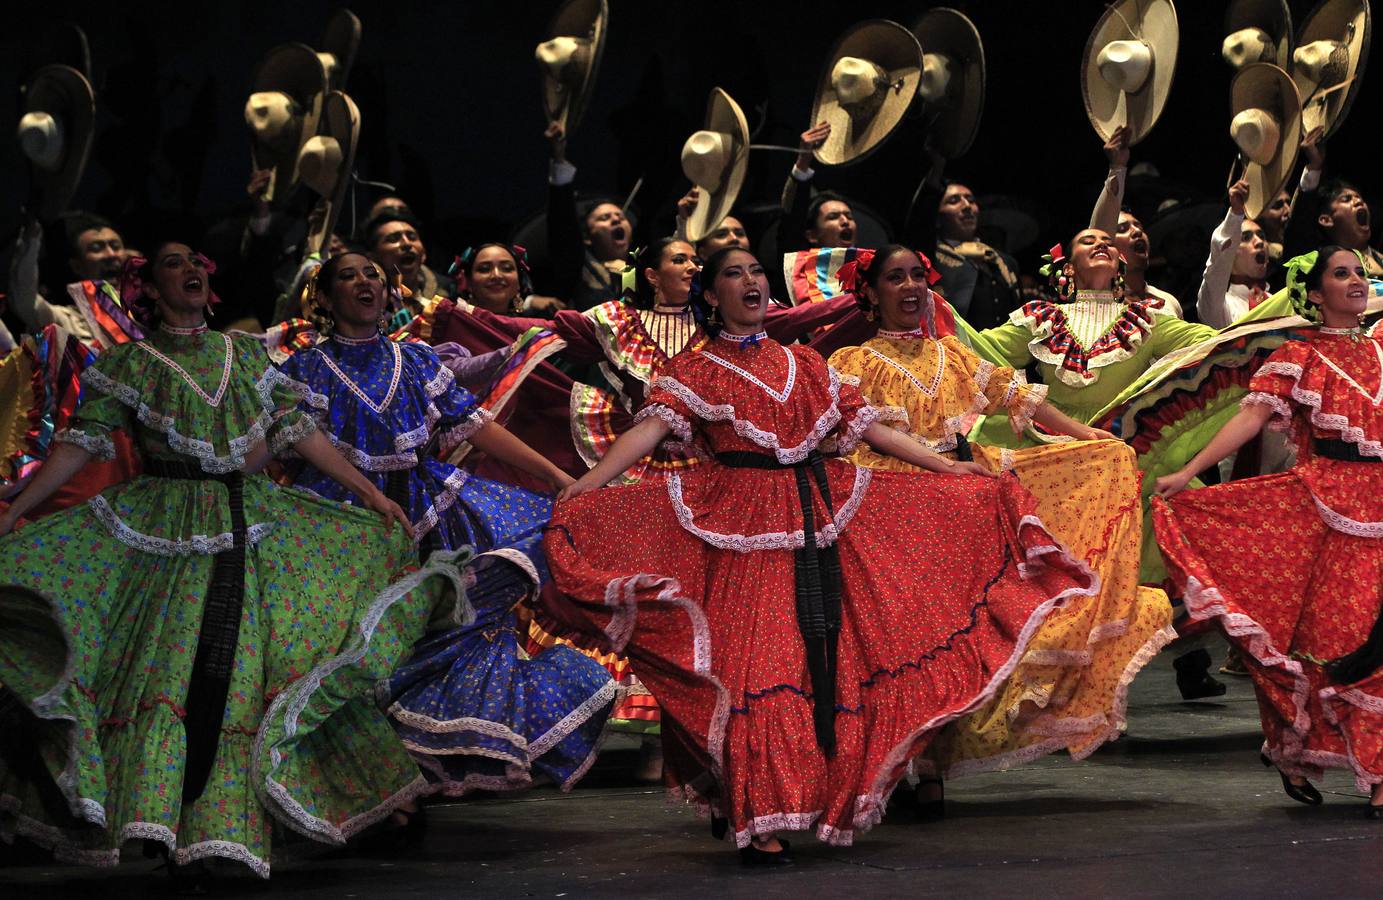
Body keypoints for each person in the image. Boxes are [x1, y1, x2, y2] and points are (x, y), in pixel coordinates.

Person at [541, 246, 1098, 864]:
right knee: (754, 665)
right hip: (739, 526)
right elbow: (647, 432)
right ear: (712, 295)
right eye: (734, 273)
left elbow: (870, 429)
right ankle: (753, 809)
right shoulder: (695, 372)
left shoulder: (804, 364)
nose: (751, 280)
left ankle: (792, 795)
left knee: (822, 661)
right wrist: (587, 487)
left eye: (756, 271)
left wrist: (949, 470)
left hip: (817, 516)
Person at [0, 242, 468, 882]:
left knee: (245, 672)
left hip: (249, 520)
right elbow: (78, 446)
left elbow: (296, 432)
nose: (192, 270)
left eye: (198, 263)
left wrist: (369, 493)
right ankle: (163, 822)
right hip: (165, 528)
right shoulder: (130, 363)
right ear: (149, 290)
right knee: (169, 674)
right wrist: (15, 511)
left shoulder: (247, 354)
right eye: (173, 265)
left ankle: (224, 828)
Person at [828, 245, 1172, 798]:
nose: (912, 286)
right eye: (896, 278)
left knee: (965, 633)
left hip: (960, 506)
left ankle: (934, 761)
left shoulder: (954, 356)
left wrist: (1089, 438)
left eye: (918, 275)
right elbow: (859, 432)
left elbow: (1019, 397)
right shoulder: (853, 363)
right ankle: (898, 759)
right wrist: (939, 466)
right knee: (908, 640)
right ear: (869, 293)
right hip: (890, 511)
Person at [277, 251, 615, 798]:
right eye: (349, 275)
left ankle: (416, 764)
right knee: (349, 640)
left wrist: (553, 474)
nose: (365, 283)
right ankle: (358, 775)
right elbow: (290, 441)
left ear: (390, 294)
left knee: (441, 624)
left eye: (374, 275)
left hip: (425, 509)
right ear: (324, 296)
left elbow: (474, 425)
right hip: (340, 521)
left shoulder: (415, 361)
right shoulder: (302, 370)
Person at [1153, 246, 1383, 817]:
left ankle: (1378, 774)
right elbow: (1251, 417)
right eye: (1341, 274)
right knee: (1341, 640)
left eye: (1361, 272)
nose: (1357, 281)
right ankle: (1301, 749)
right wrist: (1187, 472)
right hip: (1330, 509)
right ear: (1315, 293)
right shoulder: (1297, 358)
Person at [1090, 127, 1185, 318]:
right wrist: (1117, 167)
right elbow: (1099, 235)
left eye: (1139, 226)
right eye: (1123, 229)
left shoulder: (1169, 302)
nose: (1136, 231)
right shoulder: (1101, 295)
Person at [544, 123, 634, 311]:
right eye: (604, 218)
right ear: (586, 237)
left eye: (620, 216)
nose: (616, 219)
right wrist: (559, 158)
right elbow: (563, 226)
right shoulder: (579, 268)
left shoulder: (648, 270)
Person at [8, 213, 128, 346]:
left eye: (116, 246)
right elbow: (25, 300)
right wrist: (31, 239)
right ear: (77, 266)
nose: (110, 255)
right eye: (96, 248)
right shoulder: (65, 322)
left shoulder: (149, 313)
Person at [1284, 127, 1383, 278]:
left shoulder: (1380, 258)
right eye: (1347, 199)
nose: (1359, 202)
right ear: (1326, 219)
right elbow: (1299, 228)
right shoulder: (1317, 265)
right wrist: (1314, 166)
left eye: (1359, 198)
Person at [1196, 179, 1274, 329]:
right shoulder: (1218, 308)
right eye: (1246, 238)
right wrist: (1235, 213)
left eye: (1262, 236)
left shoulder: (1284, 301)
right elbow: (1218, 261)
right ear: (1230, 254)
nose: (1259, 242)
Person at [363, 209, 455, 313]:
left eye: (412, 237)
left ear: (424, 254)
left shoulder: (449, 294)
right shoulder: (366, 301)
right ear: (373, 257)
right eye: (393, 239)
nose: (406, 244)